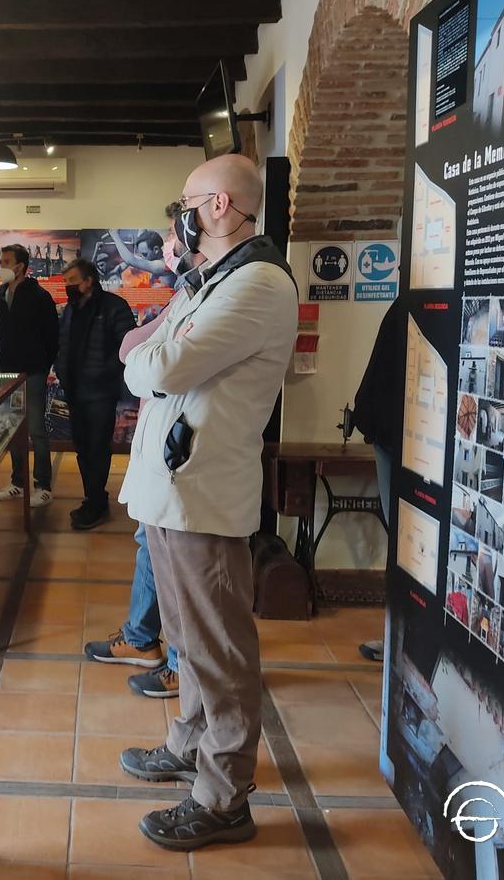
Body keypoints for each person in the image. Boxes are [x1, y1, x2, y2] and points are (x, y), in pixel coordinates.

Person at [117, 155, 298, 850]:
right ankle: (190, 745)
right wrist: (153, 343)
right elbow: (156, 345)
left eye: (186, 202)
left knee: (220, 650)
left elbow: (157, 364)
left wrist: (146, 357)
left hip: (202, 494)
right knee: (188, 643)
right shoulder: (217, 278)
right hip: (171, 493)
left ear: (218, 205)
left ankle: (225, 797)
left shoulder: (256, 283)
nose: (179, 214)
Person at [85, 202, 203, 699]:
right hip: (161, 449)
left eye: (172, 238)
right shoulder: (187, 293)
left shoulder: (213, 293)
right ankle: (142, 638)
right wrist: (142, 361)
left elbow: (152, 366)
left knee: (176, 560)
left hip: (186, 452)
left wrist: (142, 363)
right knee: (150, 546)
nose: (167, 248)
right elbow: (133, 348)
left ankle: (177, 662)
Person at [55, 258, 135, 530]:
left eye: (73, 282)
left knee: (97, 448)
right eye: (66, 283)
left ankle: (96, 501)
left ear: (89, 281)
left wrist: (104, 372)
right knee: (82, 449)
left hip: (101, 392)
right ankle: (93, 497)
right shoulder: (70, 310)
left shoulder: (114, 307)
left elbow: (126, 347)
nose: (69, 288)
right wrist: (63, 373)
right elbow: (63, 345)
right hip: (75, 391)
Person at [351, 297, 407, 661]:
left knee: (403, 542)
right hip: (391, 433)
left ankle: (400, 638)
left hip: (400, 436)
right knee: (400, 541)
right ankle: (396, 635)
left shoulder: (414, 304)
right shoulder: (408, 304)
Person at [0, 244, 58, 507]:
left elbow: (52, 336)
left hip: (33, 371)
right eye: (1, 261)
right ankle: (18, 482)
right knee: (13, 429)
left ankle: (42, 485)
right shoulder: (0, 294)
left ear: (20, 266)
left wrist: (42, 365)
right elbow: (2, 330)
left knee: (36, 429)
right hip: (8, 371)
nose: (2, 266)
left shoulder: (39, 296)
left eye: (6, 261)